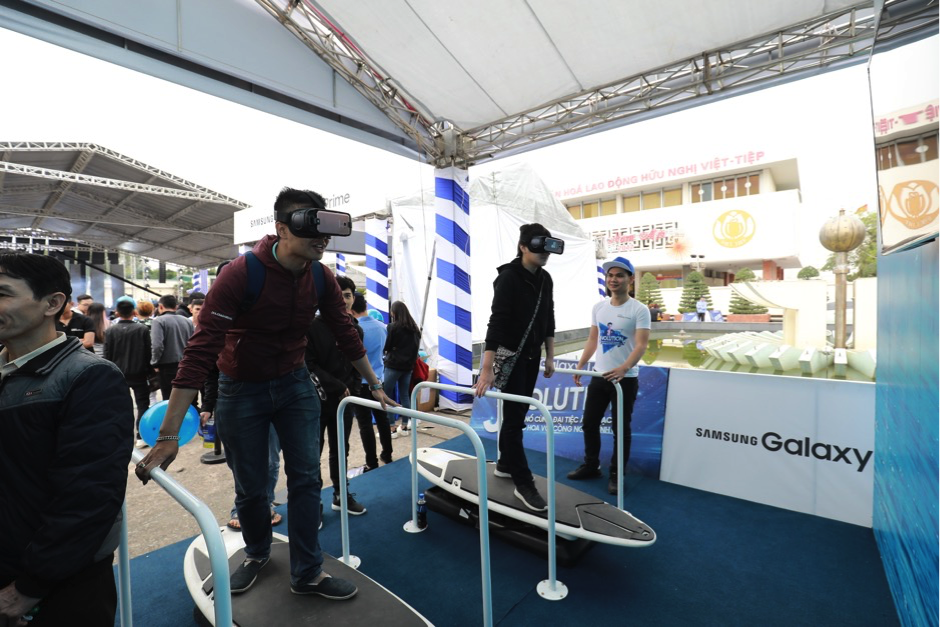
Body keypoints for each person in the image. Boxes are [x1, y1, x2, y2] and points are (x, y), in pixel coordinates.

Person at [135, 187, 393, 601]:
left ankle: (308, 571)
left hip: (295, 383)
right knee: (252, 486)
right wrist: (167, 435)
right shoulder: (241, 273)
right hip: (240, 390)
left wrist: (375, 385)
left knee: (306, 479)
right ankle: (256, 553)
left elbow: (346, 333)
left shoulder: (320, 276)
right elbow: (199, 352)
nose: (322, 238)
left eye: (325, 228)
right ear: (281, 228)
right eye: (310, 227)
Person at [0, 252, 133, 626]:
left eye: (2, 294)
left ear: (52, 303)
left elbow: (89, 495)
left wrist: (31, 586)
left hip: (56, 582)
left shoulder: (89, 378)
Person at [474, 223, 558, 513]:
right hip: (511, 356)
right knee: (513, 421)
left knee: (517, 415)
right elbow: (496, 322)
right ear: (523, 247)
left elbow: (548, 317)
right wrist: (486, 369)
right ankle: (523, 483)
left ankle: (505, 464)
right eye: (538, 246)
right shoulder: (508, 278)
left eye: (548, 247)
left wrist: (550, 355)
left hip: (533, 357)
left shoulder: (545, 279)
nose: (544, 253)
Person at [569, 257, 650, 495]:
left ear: (630, 279)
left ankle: (617, 474)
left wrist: (624, 368)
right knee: (589, 423)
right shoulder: (599, 307)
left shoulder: (639, 310)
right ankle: (591, 465)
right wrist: (581, 364)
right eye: (610, 275)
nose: (613, 279)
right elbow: (593, 339)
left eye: (619, 275)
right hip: (599, 376)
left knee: (620, 429)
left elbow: (641, 345)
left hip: (625, 379)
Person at [306, 275, 367, 514]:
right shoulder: (312, 327)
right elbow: (308, 364)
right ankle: (314, 503)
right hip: (317, 401)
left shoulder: (356, 330)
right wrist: (338, 386)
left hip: (345, 401)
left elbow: (358, 363)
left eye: (348, 295)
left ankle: (341, 494)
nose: (344, 300)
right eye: (337, 295)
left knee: (341, 450)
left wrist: (353, 390)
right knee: (313, 453)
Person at [350, 293, 393, 470]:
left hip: (361, 381)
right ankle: (387, 454)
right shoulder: (382, 327)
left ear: (351, 309)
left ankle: (372, 462)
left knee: (365, 423)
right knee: (383, 419)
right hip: (379, 379)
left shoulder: (354, 329)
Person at [105, 298, 154, 448]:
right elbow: (148, 353)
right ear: (134, 312)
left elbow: (107, 354)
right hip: (139, 373)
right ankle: (141, 436)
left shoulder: (110, 331)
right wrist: (150, 371)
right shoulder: (142, 329)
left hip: (118, 374)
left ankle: (122, 436)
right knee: (142, 405)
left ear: (117, 313)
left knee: (121, 406)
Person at [384, 300, 421, 436]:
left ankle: (392, 428)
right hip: (408, 367)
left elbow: (387, 346)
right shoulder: (415, 329)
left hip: (393, 366)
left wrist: (391, 350)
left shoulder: (392, 327)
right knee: (405, 395)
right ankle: (404, 426)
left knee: (387, 396)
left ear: (394, 312)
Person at [150, 294, 194, 401]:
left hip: (166, 366)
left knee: (168, 399)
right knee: (185, 399)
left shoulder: (158, 321)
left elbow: (157, 346)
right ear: (176, 306)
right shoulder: (188, 321)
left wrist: (154, 362)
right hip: (185, 365)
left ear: (161, 306)